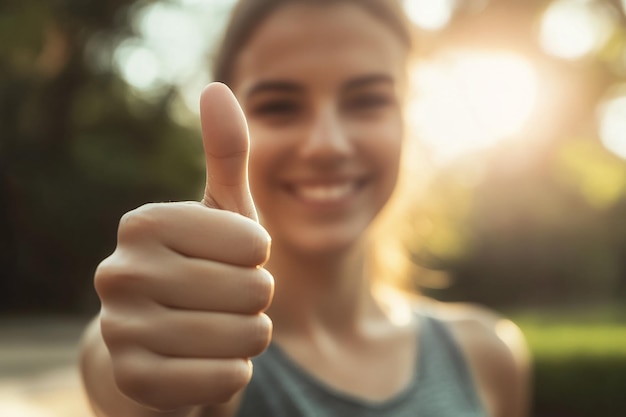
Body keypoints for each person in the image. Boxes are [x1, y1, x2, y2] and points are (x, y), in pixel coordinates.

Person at [79, 0, 531, 416]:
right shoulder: (203, 359)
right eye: (280, 106)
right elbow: (128, 376)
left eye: (368, 100)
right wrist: (150, 371)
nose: (327, 145)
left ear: (408, 116)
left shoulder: (485, 356)